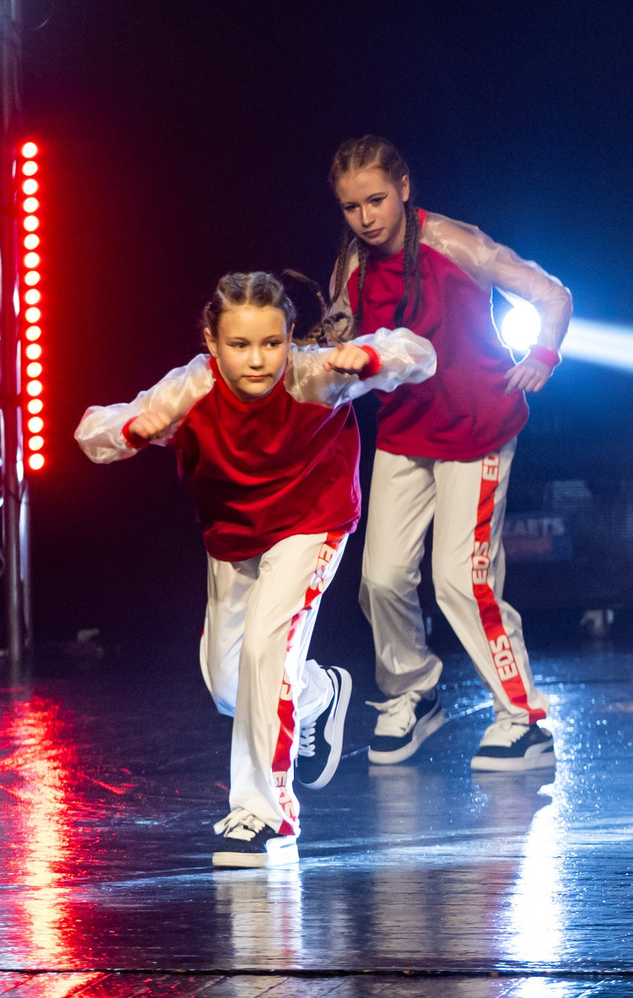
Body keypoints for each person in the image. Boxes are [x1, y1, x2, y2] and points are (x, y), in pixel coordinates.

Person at [77, 273, 436, 866]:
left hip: (310, 522)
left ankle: (267, 814)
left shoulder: (315, 375)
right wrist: (129, 431)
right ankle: (320, 689)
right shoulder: (190, 387)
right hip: (234, 539)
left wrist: (368, 353)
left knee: (268, 647)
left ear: (289, 337)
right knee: (228, 685)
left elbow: (416, 353)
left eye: (271, 343)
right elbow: (91, 430)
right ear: (213, 343)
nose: (258, 359)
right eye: (240, 345)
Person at [322, 137, 575, 774]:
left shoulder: (456, 244)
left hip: (476, 429)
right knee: (379, 578)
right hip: (406, 433)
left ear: (404, 187)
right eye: (352, 207)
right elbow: (345, 340)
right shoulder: (349, 264)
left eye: (376, 199)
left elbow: (553, 296)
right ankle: (413, 690)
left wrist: (543, 353)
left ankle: (524, 718)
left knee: (461, 580)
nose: (366, 217)